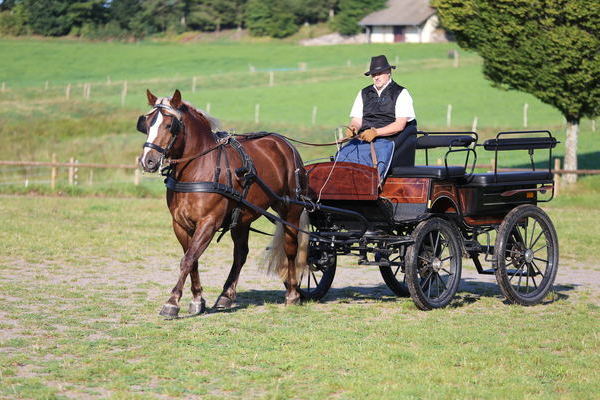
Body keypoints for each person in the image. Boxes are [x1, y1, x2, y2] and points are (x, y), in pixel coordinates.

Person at [346, 55, 418, 167]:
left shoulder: (401, 93)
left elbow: (399, 125)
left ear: (389, 72)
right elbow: (357, 119)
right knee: (344, 154)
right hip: (364, 138)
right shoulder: (363, 93)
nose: (376, 77)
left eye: (379, 73)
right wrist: (353, 128)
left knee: (371, 158)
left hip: (389, 140)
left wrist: (376, 132)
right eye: (374, 74)